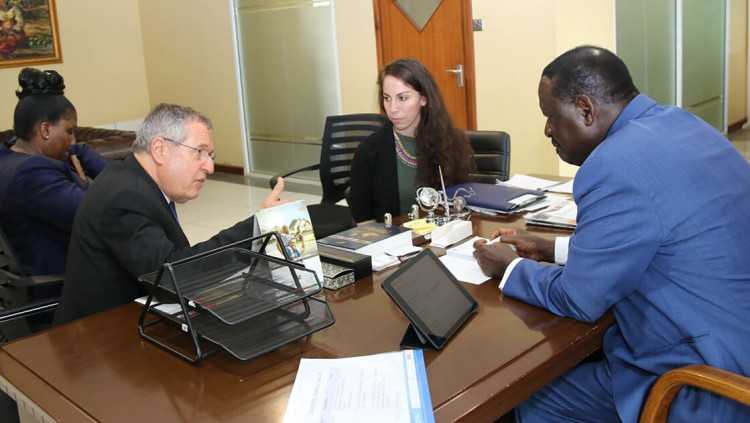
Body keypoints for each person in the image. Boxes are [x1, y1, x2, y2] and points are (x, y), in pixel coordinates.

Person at [473, 46, 750, 422]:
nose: (547, 129)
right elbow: (659, 237)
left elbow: (580, 299)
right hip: (734, 339)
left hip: (702, 382)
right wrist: (552, 248)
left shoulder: (612, 165)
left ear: (586, 110)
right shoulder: (683, 124)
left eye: (551, 116)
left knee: (522, 399)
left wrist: (508, 269)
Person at [56, 103, 285, 323]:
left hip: (130, 319)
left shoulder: (135, 180)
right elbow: (171, 278)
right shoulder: (124, 196)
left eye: (210, 156)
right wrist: (257, 226)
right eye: (199, 153)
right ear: (160, 149)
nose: (210, 167)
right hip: (97, 339)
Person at [0, 68, 106, 275]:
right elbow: (99, 216)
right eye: (69, 131)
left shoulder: (7, 160)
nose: (73, 140)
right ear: (45, 130)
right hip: (60, 287)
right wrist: (100, 168)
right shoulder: (34, 173)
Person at [348, 58, 474, 222]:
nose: (392, 109)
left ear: (423, 98)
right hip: (392, 242)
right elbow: (363, 222)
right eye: (387, 98)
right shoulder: (369, 150)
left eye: (402, 98)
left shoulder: (452, 141)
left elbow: (463, 203)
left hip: (444, 237)